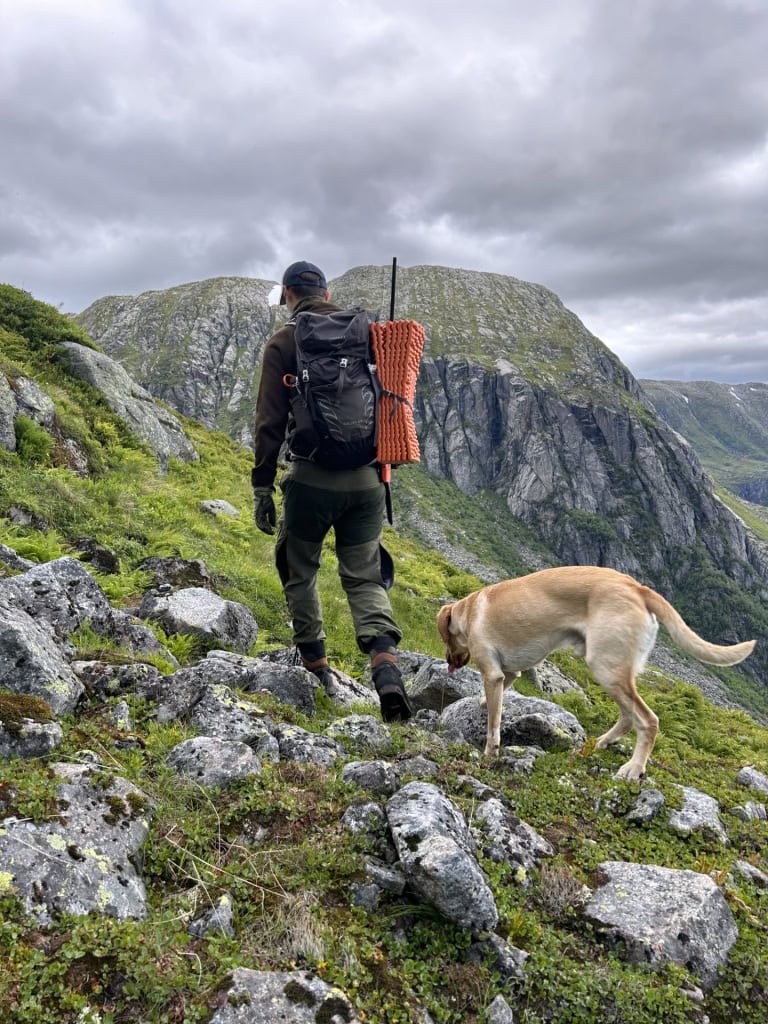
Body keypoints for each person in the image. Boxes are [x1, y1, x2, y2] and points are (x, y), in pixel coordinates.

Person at [251, 260, 412, 722]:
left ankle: (316, 666)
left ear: (288, 294)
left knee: (299, 567)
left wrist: (262, 486)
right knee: (363, 575)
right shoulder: (369, 334)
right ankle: (385, 668)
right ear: (326, 290)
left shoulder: (284, 341)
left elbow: (268, 421)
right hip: (367, 480)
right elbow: (395, 398)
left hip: (310, 480)